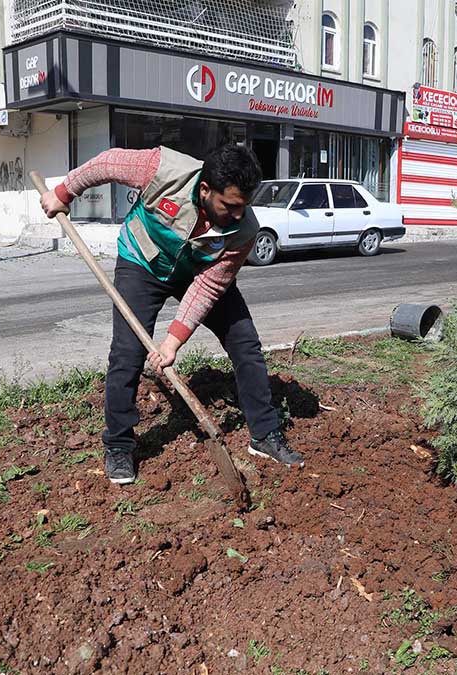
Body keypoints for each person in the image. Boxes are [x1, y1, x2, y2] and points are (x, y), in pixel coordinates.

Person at [39, 144, 304, 485]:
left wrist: (173, 341)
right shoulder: (162, 168)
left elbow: (209, 287)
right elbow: (105, 164)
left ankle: (265, 435)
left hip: (197, 271)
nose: (239, 215)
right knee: (127, 353)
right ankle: (119, 445)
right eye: (231, 206)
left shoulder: (244, 230)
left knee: (245, 342)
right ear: (206, 189)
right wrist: (63, 192)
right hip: (142, 260)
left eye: (244, 207)